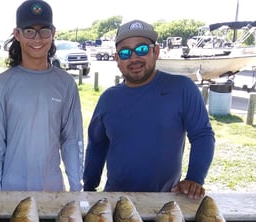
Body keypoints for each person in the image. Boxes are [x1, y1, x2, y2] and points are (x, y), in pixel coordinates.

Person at [83, 19, 215, 199]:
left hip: (164, 203)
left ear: (156, 51)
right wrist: (89, 188)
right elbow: (96, 147)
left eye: (142, 49)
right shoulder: (108, 99)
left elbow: (202, 135)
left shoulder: (182, 88)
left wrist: (194, 178)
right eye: (125, 53)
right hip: (116, 202)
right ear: (117, 59)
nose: (134, 57)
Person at [0, 0, 83, 192]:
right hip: (12, 191)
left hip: (52, 192)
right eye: (29, 31)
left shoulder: (66, 83)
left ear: (53, 33)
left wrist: (77, 189)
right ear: (17, 34)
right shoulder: (1, 85)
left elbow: (72, 139)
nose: (37, 39)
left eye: (44, 30)